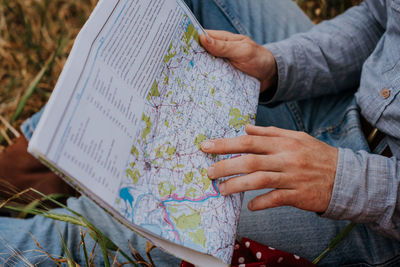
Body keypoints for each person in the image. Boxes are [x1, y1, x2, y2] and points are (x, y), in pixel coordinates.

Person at [1, 0, 399, 266]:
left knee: (117, 220)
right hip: (347, 100)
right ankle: (35, 167)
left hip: (369, 214)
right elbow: (379, 20)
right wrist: (276, 66)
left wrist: (340, 180)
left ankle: (50, 223)